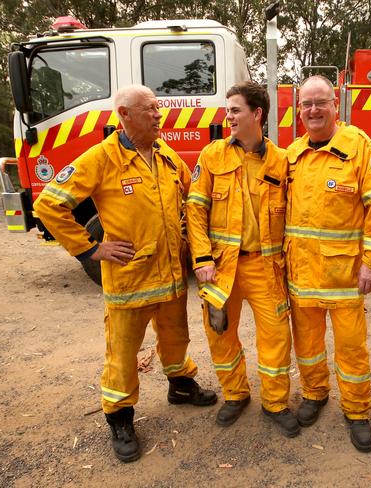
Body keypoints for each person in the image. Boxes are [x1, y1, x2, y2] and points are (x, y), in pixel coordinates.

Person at [33, 85, 217, 463]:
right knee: (123, 355)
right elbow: (49, 204)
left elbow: (194, 195)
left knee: (176, 339)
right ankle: (120, 417)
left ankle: (180, 386)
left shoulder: (166, 155)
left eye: (158, 107)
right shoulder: (101, 158)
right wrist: (92, 248)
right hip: (130, 281)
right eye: (149, 109)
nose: (158, 114)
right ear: (124, 114)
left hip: (169, 276)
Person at [284, 75, 371, 452]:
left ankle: (357, 410)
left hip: (344, 275)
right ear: (298, 111)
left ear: (335, 106)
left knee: (351, 348)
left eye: (320, 102)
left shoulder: (358, 146)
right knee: (308, 346)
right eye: (306, 104)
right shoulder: (293, 154)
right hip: (302, 275)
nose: (313, 110)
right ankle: (315, 394)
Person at [186, 81, 298, 437]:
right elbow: (195, 209)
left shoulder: (282, 162)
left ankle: (276, 403)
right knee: (220, 334)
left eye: (235, 109)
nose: (227, 116)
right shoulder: (212, 155)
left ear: (257, 114)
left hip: (267, 266)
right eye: (228, 109)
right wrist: (202, 258)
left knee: (276, 337)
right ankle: (235, 395)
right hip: (221, 268)